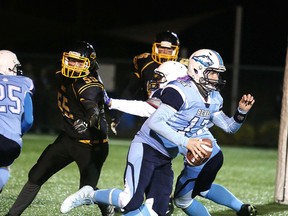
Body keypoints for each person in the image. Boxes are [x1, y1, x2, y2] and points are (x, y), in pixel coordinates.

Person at [60, 49, 257, 216]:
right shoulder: (180, 91)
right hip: (147, 147)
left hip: (165, 156)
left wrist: (241, 113)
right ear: (198, 70)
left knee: (159, 211)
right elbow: (155, 122)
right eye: (212, 73)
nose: (216, 78)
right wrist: (186, 142)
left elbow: (230, 128)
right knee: (130, 201)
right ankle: (89, 194)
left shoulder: (214, 98)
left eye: (217, 73)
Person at [5, 41, 114, 216]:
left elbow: (92, 110)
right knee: (36, 175)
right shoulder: (61, 72)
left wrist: (87, 122)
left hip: (92, 145)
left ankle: (107, 205)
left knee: (86, 192)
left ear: (90, 63)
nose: (73, 65)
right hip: (67, 139)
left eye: (79, 62)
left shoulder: (90, 85)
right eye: (71, 60)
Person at [110, 30, 188, 135]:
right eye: (161, 48)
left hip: (175, 116)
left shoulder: (185, 67)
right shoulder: (143, 62)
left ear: (175, 50)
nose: (164, 52)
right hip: (149, 113)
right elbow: (132, 89)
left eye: (169, 49)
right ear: (155, 47)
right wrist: (117, 115)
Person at [0, 50, 34, 194]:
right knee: (3, 167)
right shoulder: (24, 83)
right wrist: (17, 133)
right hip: (11, 142)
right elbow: (28, 120)